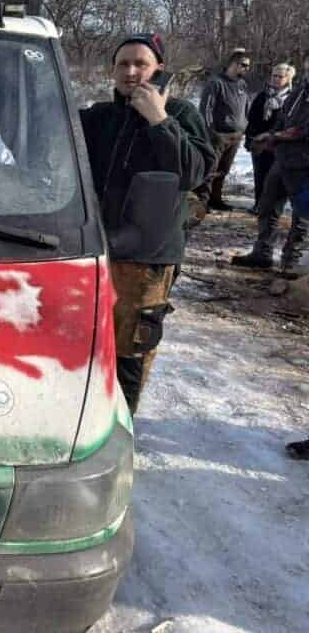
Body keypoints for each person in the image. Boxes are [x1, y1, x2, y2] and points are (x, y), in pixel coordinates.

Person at [80, 34, 214, 414]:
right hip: (94, 246)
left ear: (159, 70)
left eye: (141, 63)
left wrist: (159, 119)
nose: (131, 71)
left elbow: (194, 172)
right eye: (123, 64)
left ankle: (122, 423)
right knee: (86, 341)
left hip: (147, 257)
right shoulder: (100, 117)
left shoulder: (181, 114)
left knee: (130, 347)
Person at [231, 54, 309, 277]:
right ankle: (262, 252)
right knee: (268, 206)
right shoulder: (299, 92)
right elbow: (283, 120)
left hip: (304, 164)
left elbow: (302, 130)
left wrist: (278, 136)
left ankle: (291, 261)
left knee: (302, 214)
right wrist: (272, 136)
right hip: (283, 159)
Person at [195, 49, 252, 211]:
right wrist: (211, 132)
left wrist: (245, 127)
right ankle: (201, 202)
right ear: (233, 64)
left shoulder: (242, 84)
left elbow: (246, 107)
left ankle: (215, 199)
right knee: (210, 169)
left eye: (248, 66)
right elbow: (206, 108)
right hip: (218, 135)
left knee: (223, 170)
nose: (247, 68)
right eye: (244, 65)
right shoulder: (216, 82)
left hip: (236, 135)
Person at [245, 63, 296, 212]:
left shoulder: (292, 98)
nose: (276, 79)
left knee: (275, 180)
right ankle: (258, 206)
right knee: (260, 176)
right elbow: (252, 119)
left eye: (280, 76)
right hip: (260, 143)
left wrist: (276, 136)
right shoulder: (263, 95)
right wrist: (250, 139)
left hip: (280, 144)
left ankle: (272, 210)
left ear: (288, 78)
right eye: (274, 75)